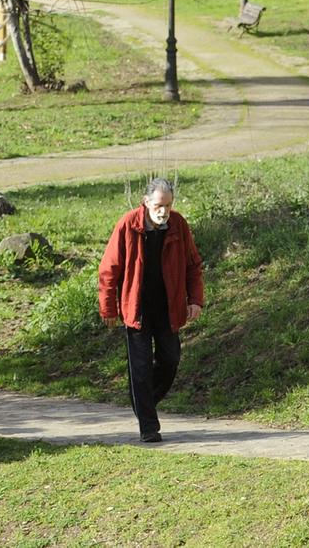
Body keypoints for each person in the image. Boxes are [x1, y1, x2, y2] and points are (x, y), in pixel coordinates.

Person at [97, 177, 204, 442]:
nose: (163, 211)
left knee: (170, 360)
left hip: (168, 308)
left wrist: (195, 300)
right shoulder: (127, 225)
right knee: (141, 368)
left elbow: (193, 266)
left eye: (168, 205)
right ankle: (149, 427)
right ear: (146, 202)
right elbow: (109, 269)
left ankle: (142, 401)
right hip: (137, 308)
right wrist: (108, 307)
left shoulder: (178, 225)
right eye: (158, 205)